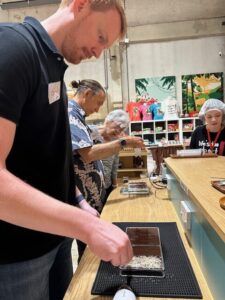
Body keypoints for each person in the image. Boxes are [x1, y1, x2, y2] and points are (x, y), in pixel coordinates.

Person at [0, 1, 133, 300]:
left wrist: (76, 200)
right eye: (100, 37)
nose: (99, 52)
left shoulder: (53, 71)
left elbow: (50, 157)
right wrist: (85, 225)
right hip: (16, 256)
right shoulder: (13, 48)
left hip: (55, 242)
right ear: (81, 5)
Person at [68, 80, 145, 261]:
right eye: (98, 103)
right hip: (84, 200)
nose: (97, 109)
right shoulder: (71, 113)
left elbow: (93, 138)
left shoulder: (78, 117)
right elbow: (88, 154)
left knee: (91, 249)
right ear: (87, 94)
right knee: (88, 254)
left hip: (91, 197)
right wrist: (124, 142)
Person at [91, 109, 130, 198]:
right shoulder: (91, 134)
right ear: (108, 121)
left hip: (106, 186)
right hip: (91, 187)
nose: (118, 131)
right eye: (117, 126)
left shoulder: (115, 141)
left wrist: (114, 186)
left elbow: (115, 165)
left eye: (121, 129)